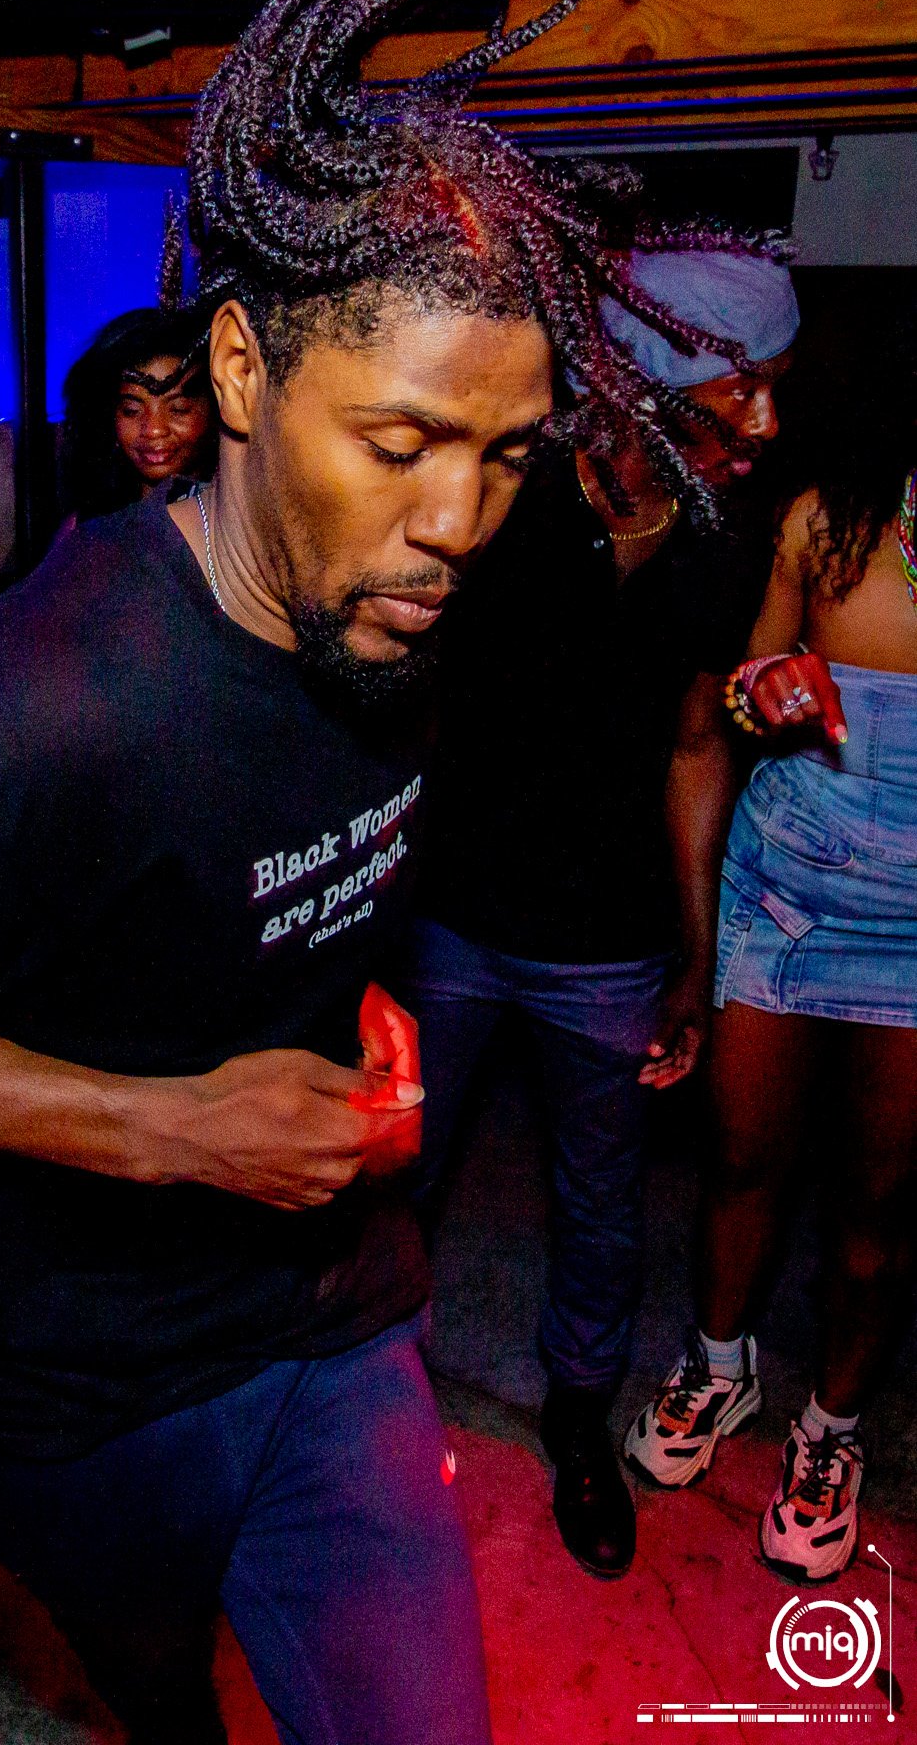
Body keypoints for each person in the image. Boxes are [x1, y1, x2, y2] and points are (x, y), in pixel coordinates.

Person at [0, 0, 760, 1745]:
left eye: (502, 453)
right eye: (398, 443)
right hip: (76, 1381)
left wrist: (358, 1012)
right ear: (245, 373)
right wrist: (164, 1123)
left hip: (334, 1315)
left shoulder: (412, 610)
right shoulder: (38, 706)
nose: (454, 519)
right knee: (157, 1704)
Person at [402, 248, 798, 1579]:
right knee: (394, 1176)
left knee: (603, 1200)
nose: (766, 422)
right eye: (742, 388)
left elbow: (695, 742)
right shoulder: (506, 490)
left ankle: (578, 1419)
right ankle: (370, 1411)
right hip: (451, 916)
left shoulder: (728, 534)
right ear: (657, 374)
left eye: (776, 388)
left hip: (612, 940)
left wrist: (696, 954)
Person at [624, 325, 917, 1584]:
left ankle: (832, 1428)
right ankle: (720, 1363)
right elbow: (735, 697)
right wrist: (773, 690)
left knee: (878, 1207)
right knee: (742, 1158)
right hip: (786, 894)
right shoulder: (828, 521)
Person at [59, 306, 216, 524]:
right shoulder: (89, 528)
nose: (154, 430)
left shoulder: (236, 519)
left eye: (178, 409)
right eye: (131, 411)